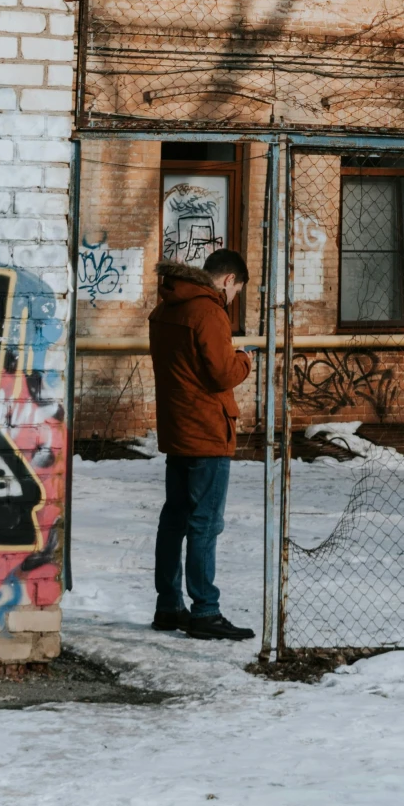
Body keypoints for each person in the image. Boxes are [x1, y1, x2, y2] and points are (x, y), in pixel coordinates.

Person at [148, 250, 254, 640]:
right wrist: (244, 360)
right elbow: (220, 373)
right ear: (228, 280)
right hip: (208, 430)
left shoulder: (166, 309)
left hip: (178, 429)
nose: (233, 297)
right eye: (237, 290)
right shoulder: (208, 312)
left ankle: (168, 605)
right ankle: (205, 610)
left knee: (174, 518)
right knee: (205, 522)